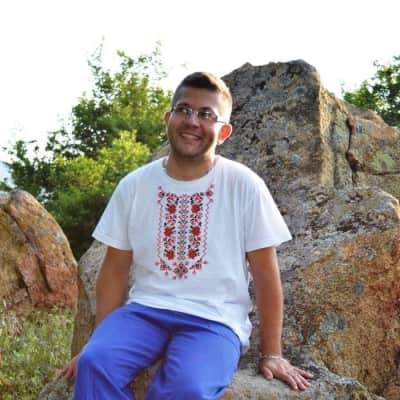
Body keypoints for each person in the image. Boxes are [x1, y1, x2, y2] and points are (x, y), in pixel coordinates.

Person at [62, 72, 313, 399]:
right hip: (144, 311)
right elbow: (114, 270)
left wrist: (273, 353)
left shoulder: (244, 185)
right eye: (184, 110)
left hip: (215, 321)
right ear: (168, 118)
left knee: (187, 388)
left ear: (224, 132)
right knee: (96, 364)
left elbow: (266, 276)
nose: (192, 121)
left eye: (206, 114)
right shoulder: (134, 185)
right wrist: (97, 343)